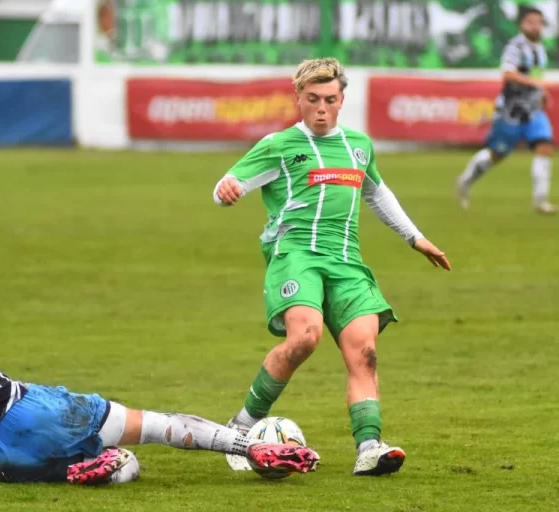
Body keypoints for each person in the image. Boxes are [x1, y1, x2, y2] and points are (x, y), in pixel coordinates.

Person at [0, 256, 320, 484]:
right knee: (153, 426)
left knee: (127, 468)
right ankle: (248, 445)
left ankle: (91, 466)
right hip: (26, 412)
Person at [212, 57, 452, 476]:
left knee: (366, 351)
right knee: (305, 337)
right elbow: (227, 185)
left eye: (330, 99)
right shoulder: (279, 145)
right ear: (298, 100)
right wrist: (226, 189)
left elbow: (378, 193)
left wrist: (415, 237)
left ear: (342, 100)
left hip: (345, 260)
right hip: (295, 256)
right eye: (312, 99)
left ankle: (369, 448)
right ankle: (240, 429)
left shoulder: (359, 146)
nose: (321, 108)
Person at [457, 6, 556, 214]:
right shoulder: (516, 47)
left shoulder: (539, 48)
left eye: (538, 22)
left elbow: (535, 76)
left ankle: (540, 201)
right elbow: (508, 74)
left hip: (533, 111)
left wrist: (541, 93)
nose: (535, 26)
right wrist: (535, 84)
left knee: (545, 146)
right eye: (531, 22)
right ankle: (466, 180)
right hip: (511, 113)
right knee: (497, 154)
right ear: (522, 24)